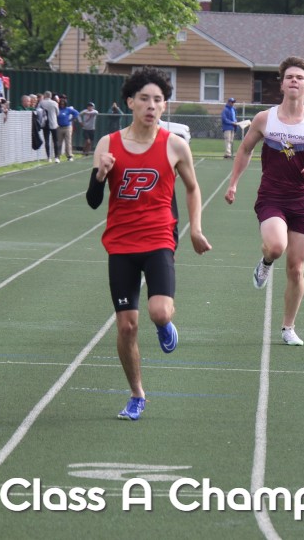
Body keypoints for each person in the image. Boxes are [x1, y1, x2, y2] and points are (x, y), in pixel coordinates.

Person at [87, 66, 211, 421]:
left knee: (159, 312)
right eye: (144, 99)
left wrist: (195, 229)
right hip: (121, 243)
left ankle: (165, 325)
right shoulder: (107, 144)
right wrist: (101, 174)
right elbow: (93, 201)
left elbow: (192, 188)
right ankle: (137, 394)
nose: (151, 105)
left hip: (159, 238)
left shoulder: (174, 145)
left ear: (164, 105)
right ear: (130, 102)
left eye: (158, 100)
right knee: (127, 326)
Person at [225, 56, 304, 347]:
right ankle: (266, 261)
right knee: (275, 246)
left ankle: (288, 327)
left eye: (300, 78)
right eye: (289, 77)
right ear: (282, 84)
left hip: (302, 200)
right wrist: (233, 183)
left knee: (296, 268)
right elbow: (245, 149)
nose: (294, 81)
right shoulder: (264, 119)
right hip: (272, 196)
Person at [36, 91, 60, 162]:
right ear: (51, 96)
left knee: (46, 140)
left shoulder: (41, 102)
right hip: (53, 123)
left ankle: (48, 157)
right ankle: (56, 157)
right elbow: (57, 113)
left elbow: (38, 111)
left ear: (45, 95)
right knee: (55, 140)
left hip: (45, 123)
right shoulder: (54, 103)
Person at [56, 94, 79, 160]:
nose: (62, 105)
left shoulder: (68, 109)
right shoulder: (58, 109)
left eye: (63, 104)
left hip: (67, 127)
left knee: (68, 142)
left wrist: (72, 119)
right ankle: (57, 156)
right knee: (59, 142)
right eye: (61, 104)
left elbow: (76, 113)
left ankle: (69, 156)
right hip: (59, 127)